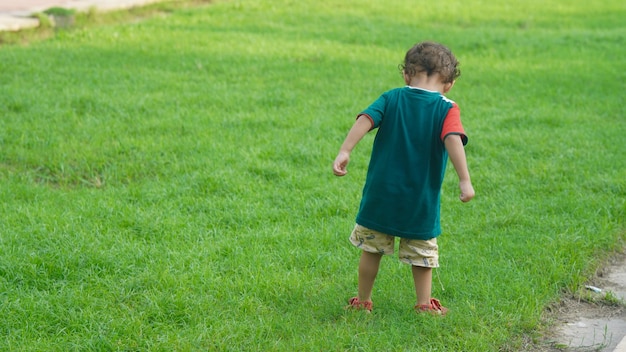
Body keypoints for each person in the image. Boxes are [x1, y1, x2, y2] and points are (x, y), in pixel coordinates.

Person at [332, 41, 475, 315]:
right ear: (449, 84)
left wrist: (345, 150)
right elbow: (452, 139)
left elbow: (365, 119)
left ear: (406, 75)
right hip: (420, 199)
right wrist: (464, 180)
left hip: (381, 194)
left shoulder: (391, 97)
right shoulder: (446, 108)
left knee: (371, 249)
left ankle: (363, 301)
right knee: (422, 255)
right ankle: (423, 304)